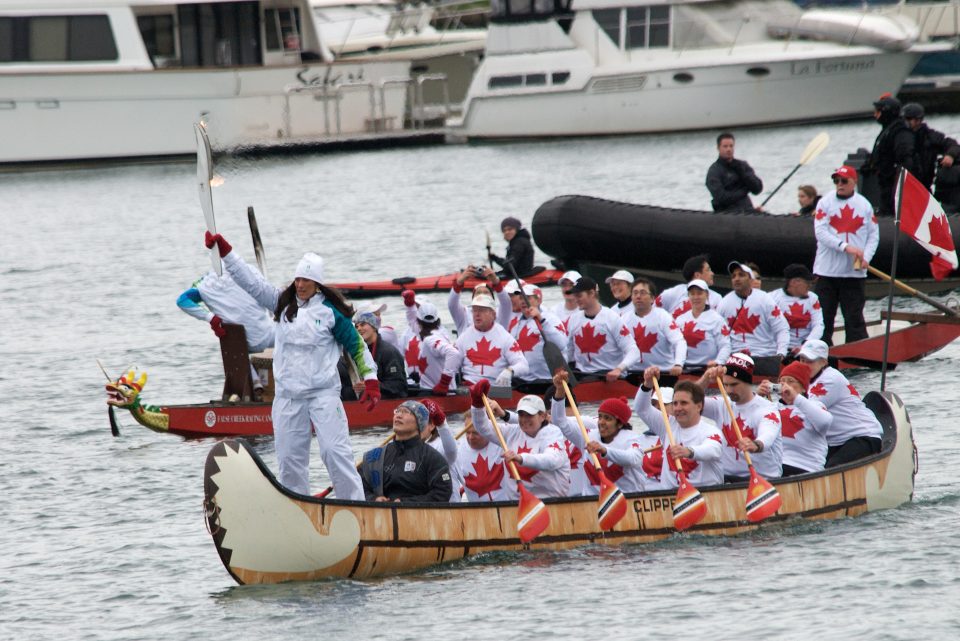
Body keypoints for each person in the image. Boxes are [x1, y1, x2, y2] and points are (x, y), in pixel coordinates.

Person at [207, 232, 378, 500]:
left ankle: (354, 505)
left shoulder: (332, 314)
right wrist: (226, 252)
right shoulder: (281, 303)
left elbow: (357, 347)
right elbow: (251, 282)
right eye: (297, 279)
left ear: (317, 283)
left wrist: (371, 380)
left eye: (306, 280)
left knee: (335, 453)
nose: (300, 284)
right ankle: (298, 509)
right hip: (287, 398)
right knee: (289, 462)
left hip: (323, 395)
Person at [549, 371, 654, 494]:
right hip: (591, 503)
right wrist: (560, 391)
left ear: (620, 423)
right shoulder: (588, 437)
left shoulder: (631, 439)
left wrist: (604, 450)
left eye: (608, 418)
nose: (602, 422)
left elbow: (632, 459)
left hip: (627, 499)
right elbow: (559, 421)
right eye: (600, 417)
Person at [176, 269, 275, 398]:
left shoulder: (205, 285)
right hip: (269, 336)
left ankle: (256, 382)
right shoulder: (246, 271)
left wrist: (210, 318)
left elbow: (182, 300)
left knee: (235, 346)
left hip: (242, 344)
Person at [813, 165, 879, 345]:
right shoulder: (825, 203)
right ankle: (821, 352)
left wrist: (867, 257)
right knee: (824, 318)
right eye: (836, 181)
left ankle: (858, 352)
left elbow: (873, 235)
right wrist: (845, 247)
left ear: (854, 182)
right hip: (827, 272)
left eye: (844, 181)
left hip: (853, 273)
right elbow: (820, 232)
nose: (839, 184)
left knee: (854, 317)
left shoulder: (864, 205)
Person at [469, 380, 570, 498]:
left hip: (553, 503)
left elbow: (551, 461)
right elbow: (483, 427)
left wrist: (520, 458)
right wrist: (477, 405)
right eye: (521, 415)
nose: (524, 419)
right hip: (517, 505)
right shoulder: (512, 432)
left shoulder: (553, 433)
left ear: (542, 416)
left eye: (529, 415)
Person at [796, 339, 883, 467]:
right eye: (802, 360)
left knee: (829, 469)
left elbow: (807, 410)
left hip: (862, 436)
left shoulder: (830, 379)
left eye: (810, 361)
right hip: (836, 442)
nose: (804, 365)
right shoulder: (808, 381)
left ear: (823, 362)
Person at [632, 370, 725, 488]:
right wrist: (647, 384)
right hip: (671, 495)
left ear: (699, 406)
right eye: (675, 403)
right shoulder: (667, 424)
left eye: (684, 403)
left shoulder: (711, 431)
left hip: (704, 493)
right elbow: (642, 409)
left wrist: (689, 452)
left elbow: (712, 450)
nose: (678, 408)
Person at [698, 354, 783, 482]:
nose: (728, 390)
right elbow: (689, 400)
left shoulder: (767, 409)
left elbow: (767, 436)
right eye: (725, 385)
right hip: (727, 478)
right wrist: (706, 378)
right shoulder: (721, 404)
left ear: (748, 382)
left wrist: (756, 444)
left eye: (734, 385)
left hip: (763, 479)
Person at [360, 400, 453, 503]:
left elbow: (442, 493)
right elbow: (359, 488)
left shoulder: (432, 457)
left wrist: (407, 503)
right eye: (397, 411)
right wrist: (374, 499)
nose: (398, 415)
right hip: (381, 515)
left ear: (419, 423)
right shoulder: (375, 456)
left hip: (418, 516)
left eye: (406, 412)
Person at [757, 362, 831, 476]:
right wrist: (756, 397)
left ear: (803, 388)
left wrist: (795, 398)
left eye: (790, 381)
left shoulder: (815, 405)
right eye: (782, 381)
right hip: (775, 467)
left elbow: (825, 422)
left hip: (806, 468)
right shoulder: (771, 407)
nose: (785, 385)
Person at [716, 261, 789, 376]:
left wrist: (781, 353)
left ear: (751, 279)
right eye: (734, 276)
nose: (736, 279)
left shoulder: (765, 299)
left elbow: (782, 328)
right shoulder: (724, 303)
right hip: (736, 358)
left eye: (741, 275)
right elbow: (719, 336)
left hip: (764, 357)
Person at [564, 276, 641, 382]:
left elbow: (633, 350)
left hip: (609, 376)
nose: (575, 299)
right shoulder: (573, 320)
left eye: (579, 295)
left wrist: (619, 369)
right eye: (575, 295)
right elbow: (569, 352)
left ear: (591, 293)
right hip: (582, 375)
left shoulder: (612, 318)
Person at [621, 277, 686, 385]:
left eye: (642, 293)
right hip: (635, 375)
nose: (638, 296)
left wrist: (678, 364)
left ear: (652, 298)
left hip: (663, 375)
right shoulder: (624, 319)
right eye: (635, 293)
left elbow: (679, 341)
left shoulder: (663, 316)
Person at [455, 294, 529, 386]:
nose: (477, 314)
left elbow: (524, 366)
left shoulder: (505, 337)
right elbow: (451, 363)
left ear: (493, 314)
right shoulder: (464, 337)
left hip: (495, 388)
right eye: (474, 310)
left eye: (482, 310)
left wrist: (510, 371)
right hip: (470, 388)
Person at [339, 310, 407, 400]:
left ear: (374, 327)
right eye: (356, 326)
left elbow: (398, 385)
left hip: (388, 400)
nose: (358, 329)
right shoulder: (352, 354)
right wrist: (355, 388)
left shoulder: (389, 352)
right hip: (360, 401)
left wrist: (372, 384)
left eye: (363, 324)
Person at [864, 93, 914, 217]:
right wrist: (871, 164)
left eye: (878, 111)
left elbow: (904, 157)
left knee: (892, 209)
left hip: (893, 183)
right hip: (884, 182)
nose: (875, 115)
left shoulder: (900, 131)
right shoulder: (887, 130)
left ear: (886, 112)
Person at [510, 283, 568, 385]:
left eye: (527, 297)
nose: (523, 301)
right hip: (522, 380)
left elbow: (562, 344)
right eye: (521, 298)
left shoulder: (551, 319)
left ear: (538, 300)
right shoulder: (515, 323)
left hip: (545, 380)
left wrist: (541, 320)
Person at [457, 414, 517, 502]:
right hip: (478, 511)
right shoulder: (457, 451)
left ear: (486, 430)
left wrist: (504, 414)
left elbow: (522, 426)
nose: (470, 437)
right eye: (467, 433)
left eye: (475, 433)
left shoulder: (503, 441)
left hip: (506, 506)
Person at [674, 279, 731, 371]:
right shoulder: (680, 320)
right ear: (688, 296)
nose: (696, 297)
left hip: (708, 370)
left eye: (699, 293)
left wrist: (719, 362)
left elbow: (725, 345)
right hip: (683, 370)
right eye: (692, 294)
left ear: (707, 295)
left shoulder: (717, 319)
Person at [405, 301, 460, 396]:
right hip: (429, 389)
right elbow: (412, 321)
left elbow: (453, 353)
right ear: (437, 320)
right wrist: (410, 306)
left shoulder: (430, 339)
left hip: (438, 394)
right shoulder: (438, 333)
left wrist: (444, 383)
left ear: (419, 321)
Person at [902, 102, 959, 192]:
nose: (905, 122)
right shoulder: (899, 137)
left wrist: (950, 155)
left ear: (918, 120)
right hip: (903, 185)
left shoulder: (930, 136)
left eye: (909, 119)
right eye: (904, 119)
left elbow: (952, 145)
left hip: (923, 185)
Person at [769, 263, 824, 354]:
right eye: (807, 282)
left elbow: (819, 325)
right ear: (794, 282)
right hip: (779, 348)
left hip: (807, 347)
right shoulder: (772, 298)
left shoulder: (813, 298)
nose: (810, 286)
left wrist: (806, 344)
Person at [418, 399, 464, 502]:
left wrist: (441, 422)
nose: (416, 428)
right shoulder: (409, 448)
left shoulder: (440, 445)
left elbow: (451, 451)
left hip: (449, 508)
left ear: (432, 425)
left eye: (420, 424)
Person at [706, 132, 763, 212]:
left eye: (731, 146)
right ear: (718, 148)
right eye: (725, 146)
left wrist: (744, 174)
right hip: (727, 214)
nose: (728, 149)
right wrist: (745, 190)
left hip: (747, 210)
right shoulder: (714, 171)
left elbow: (757, 189)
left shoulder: (742, 165)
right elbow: (721, 198)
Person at [447, 265, 512, 335]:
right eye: (478, 293)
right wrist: (459, 282)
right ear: (473, 299)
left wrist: (495, 281)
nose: (482, 295)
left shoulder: (499, 313)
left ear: (493, 299)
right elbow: (452, 304)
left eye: (486, 292)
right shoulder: (464, 314)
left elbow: (506, 302)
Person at [655, 254, 723, 319]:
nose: (712, 273)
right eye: (708, 270)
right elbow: (652, 313)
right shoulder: (675, 293)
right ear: (697, 275)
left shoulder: (717, 298)